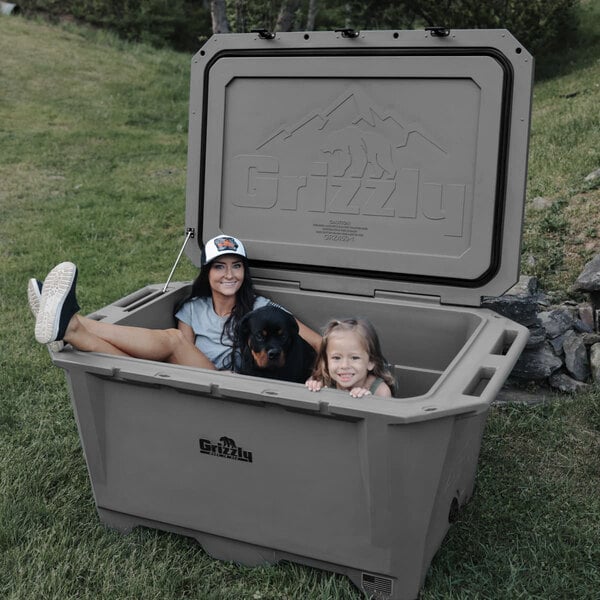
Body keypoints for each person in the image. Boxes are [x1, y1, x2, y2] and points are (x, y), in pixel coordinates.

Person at [29, 235, 321, 371]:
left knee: (172, 340)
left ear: (245, 272)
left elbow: (318, 343)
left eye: (237, 266)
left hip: (233, 381)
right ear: (207, 272)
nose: (229, 274)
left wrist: (360, 371)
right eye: (219, 267)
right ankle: (70, 331)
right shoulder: (193, 308)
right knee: (153, 356)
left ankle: (75, 322)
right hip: (196, 377)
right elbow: (182, 361)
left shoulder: (261, 309)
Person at [306, 318, 395, 398]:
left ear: (371, 362)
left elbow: (382, 416)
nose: (344, 365)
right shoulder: (324, 382)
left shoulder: (380, 391)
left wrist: (366, 402)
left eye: (354, 358)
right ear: (326, 361)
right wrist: (313, 387)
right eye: (336, 358)